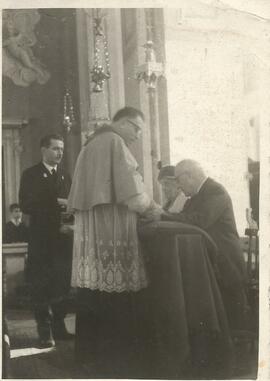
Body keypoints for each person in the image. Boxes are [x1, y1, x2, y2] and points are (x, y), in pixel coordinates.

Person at [67, 106, 162, 378]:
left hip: (92, 233)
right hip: (111, 229)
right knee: (115, 292)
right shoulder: (114, 142)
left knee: (92, 289)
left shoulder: (90, 144)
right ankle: (116, 362)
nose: (137, 135)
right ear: (120, 123)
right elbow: (134, 195)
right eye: (135, 127)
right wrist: (157, 210)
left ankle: (88, 357)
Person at [161, 159, 248, 331]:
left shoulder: (216, 191)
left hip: (226, 263)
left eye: (178, 180)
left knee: (230, 318)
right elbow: (184, 220)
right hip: (211, 260)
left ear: (190, 176)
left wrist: (161, 216)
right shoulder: (195, 197)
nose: (178, 186)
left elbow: (199, 221)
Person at [19, 134, 73, 348]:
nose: (59, 152)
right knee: (40, 286)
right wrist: (55, 202)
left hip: (62, 241)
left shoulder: (64, 175)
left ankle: (59, 328)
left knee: (61, 285)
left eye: (61, 149)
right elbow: (26, 205)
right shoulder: (31, 174)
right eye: (55, 148)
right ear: (43, 150)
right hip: (41, 241)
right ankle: (44, 332)